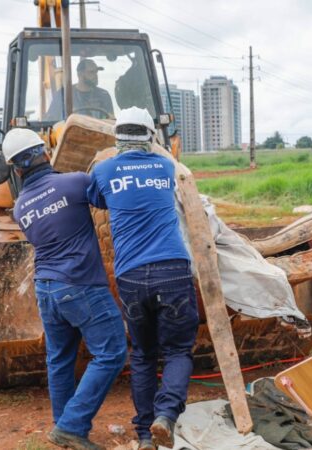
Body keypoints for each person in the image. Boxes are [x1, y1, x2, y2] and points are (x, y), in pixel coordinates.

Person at [4, 128, 127, 450]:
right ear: (45, 152)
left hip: (46, 288)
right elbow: (109, 198)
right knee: (111, 353)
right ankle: (72, 426)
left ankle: (63, 427)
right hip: (81, 285)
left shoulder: (20, 208)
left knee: (59, 359)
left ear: (15, 169)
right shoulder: (74, 182)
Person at [87, 107, 198, 450]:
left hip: (131, 276)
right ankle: (166, 416)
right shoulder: (166, 166)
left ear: (117, 137)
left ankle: (146, 433)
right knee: (178, 349)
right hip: (172, 270)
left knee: (143, 354)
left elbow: (97, 200)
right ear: (150, 136)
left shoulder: (103, 170)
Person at [47, 59, 114, 120]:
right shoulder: (63, 94)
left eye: (96, 72)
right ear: (80, 74)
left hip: (99, 132)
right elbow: (51, 119)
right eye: (91, 72)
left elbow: (111, 120)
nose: (95, 75)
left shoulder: (103, 95)